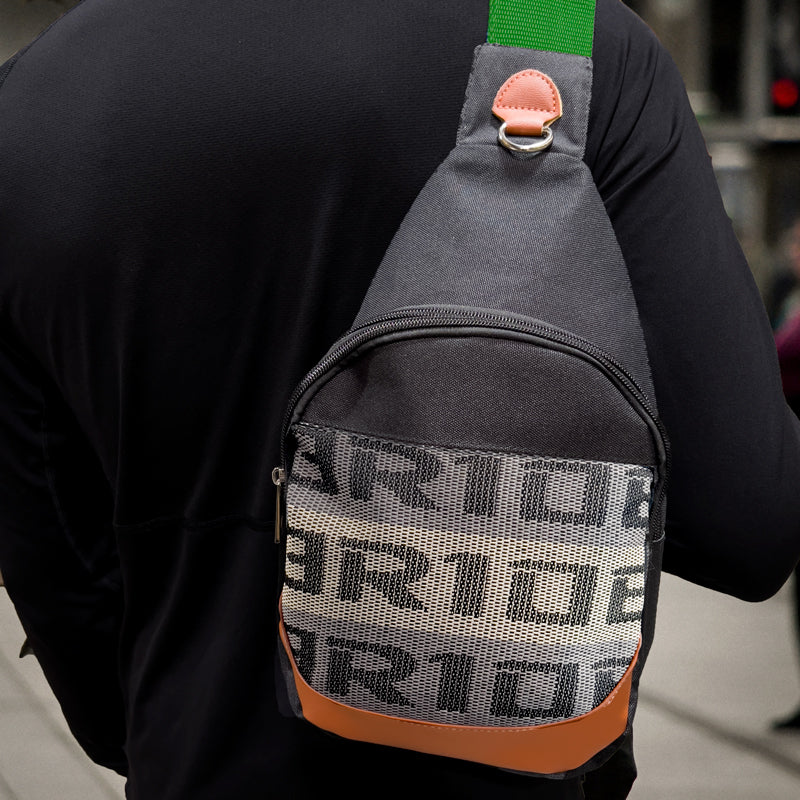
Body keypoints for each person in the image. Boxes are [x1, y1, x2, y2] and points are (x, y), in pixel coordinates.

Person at [0, 1, 799, 798]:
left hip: (192, 758)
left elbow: (56, 560)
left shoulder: (36, 94)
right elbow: (747, 524)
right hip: (507, 765)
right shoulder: (566, 36)